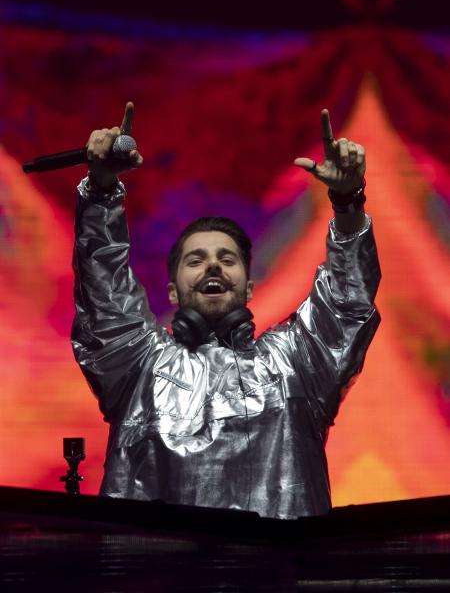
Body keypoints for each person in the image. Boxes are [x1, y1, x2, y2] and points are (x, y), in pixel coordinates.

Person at [72, 102, 381, 519]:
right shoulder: (137, 364)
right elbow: (103, 288)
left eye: (227, 259)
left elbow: (347, 303)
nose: (213, 265)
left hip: (274, 581)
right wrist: (102, 188)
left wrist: (347, 202)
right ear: (173, 293)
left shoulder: (296, 363)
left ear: (249, 288)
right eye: (195, 260)